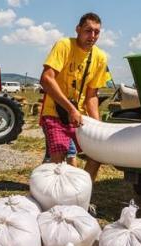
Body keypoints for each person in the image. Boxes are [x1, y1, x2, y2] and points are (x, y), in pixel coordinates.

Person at [39, 12, 108, 181]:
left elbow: (92, 95)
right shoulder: (64, 45)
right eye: (88, 30)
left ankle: (82, 190)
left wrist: (98, 126)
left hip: (78, 117)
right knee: (60, 158)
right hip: (54, 112)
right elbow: (46, 79)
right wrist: (71, 109)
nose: (92, 36)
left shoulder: (100, 57)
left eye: (97, 32)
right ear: (78, 29)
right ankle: (57, 197)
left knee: (96, 154)